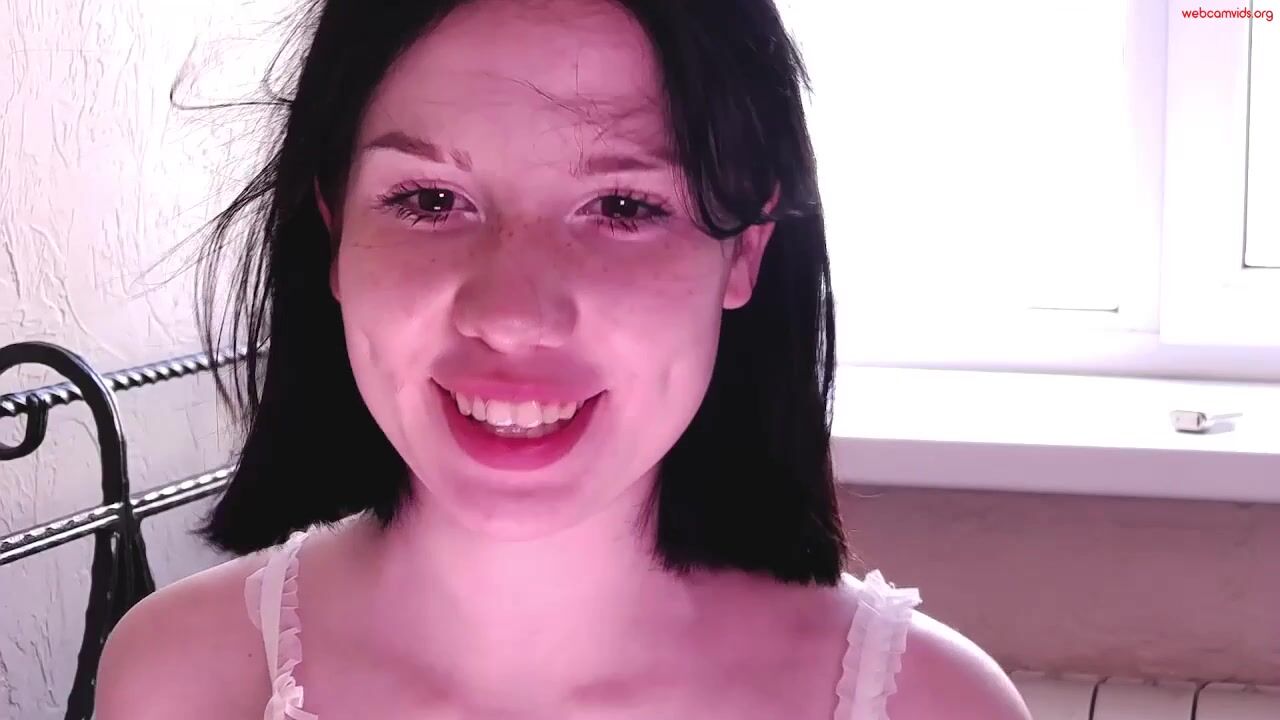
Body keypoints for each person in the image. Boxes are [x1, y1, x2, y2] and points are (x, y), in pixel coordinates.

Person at [96, 0, 1032, 718]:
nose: (511, 316)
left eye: (624, 207)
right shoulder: (181, 681)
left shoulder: (934, 708)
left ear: (744, 251)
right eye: (429, 200)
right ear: (334, 228)